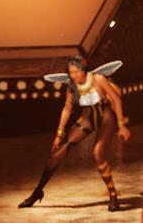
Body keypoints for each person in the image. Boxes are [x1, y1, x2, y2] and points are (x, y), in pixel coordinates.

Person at [19, 56, 130, 212]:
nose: (73, 75)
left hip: (106, 118)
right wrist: (59, 134)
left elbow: (116, 99)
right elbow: (67, 109)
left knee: (98, 153)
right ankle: (37, 192)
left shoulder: (98, 79)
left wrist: (122, 125)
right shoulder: (72, 86)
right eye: (71, 72)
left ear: (84, 70)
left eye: (76, 72)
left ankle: (113, 194)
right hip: (87, 118)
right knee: (59, 151)